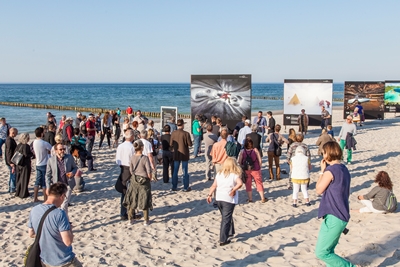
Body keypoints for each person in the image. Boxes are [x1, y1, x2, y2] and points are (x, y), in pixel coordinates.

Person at [315, 141, 356, 266]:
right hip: (340, 213)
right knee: (328, 250)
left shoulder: (330, 171)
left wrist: (322, 171)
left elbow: (318, 190)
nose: (322, 155)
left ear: (328, 153)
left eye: (324, 153)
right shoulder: (344, 169)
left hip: (335, 215)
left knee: (321, 252)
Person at [28, 182, 82, 267]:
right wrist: (70, 229)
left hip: (45, 260)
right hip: (64, 260)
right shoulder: (60, 213)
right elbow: (68, 242)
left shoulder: (34, 210)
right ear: (62, 196)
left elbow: (31, 234)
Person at [206, 157, 243, 246]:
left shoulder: (219, 174)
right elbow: (240, 183)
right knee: (226, 218)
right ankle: (223, 239)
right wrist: (234, 189)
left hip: (219, 198)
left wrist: (209, 195)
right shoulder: (234, 175)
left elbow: (214, 185)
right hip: (228, 199)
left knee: (226, 215)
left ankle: (230, 232)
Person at [123, 140, 153, 226]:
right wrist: (149, 178)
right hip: (144, 180)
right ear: (142, 147)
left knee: (133, 199)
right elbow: (148, 170)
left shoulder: (132, 157)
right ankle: (146, 220)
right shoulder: (145, 158)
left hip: (134, 180)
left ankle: (130, 219)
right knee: (145, 199)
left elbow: (131, 170)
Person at [46, 143, 78, 218]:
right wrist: (48, 187)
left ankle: (65, 222)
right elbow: (47, 175)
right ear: (56, 150)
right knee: (58, 206)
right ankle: (64, 221)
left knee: (64, 205)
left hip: (68, 184)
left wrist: (72, 173)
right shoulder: (51, 160)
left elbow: (75, 168)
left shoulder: (69, 157)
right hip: (57, 186)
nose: (63, 151)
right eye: (60, 149)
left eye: (64, 149)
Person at [238, 137, 266, 203]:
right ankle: (262, 198)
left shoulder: (242, 151)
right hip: (255, 168)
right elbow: (260, 159)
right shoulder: (255, 150)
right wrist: (260, 166)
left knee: (248, 184)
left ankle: (250, 199)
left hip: (246, 169)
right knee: (259, 182)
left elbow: (239, 161)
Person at [115, 129, 135, 221]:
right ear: (131, 137)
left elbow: (117, 160)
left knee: (124, 192)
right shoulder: (132, 147)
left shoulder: (120, 146)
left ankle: (123, 213)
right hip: (129, 168)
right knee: (131, 192)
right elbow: (133, 160)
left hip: (122, 168)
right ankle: (131, 213)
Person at [170, 119, 193, 191]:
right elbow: (190, 144)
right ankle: (185, 187)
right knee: (185, 171)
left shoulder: (173, 133)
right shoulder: (186, 133)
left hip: (176, 153)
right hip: (184, 153)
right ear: (182, 125)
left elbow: (171, 144)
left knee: (175, 171)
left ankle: (174, 186)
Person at [33, 127, 53, 202]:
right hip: (44, 163)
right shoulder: (44, 143)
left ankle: (35, 197)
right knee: (45, 181)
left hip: (38, 163)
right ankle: (45, 198)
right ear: (41, 134)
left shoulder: (34, 142)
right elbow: (51, 149)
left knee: (37, 181)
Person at [14, 133, 33, 198]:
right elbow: (26, 155)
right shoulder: (26, 146)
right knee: (25, 179)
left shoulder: (19, 145)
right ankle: (23, 193)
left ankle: (18, 192)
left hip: (18, 164)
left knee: (19, 178)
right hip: (25, 164)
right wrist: (32, 154)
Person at [5, 127, 18, 195]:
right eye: (16, 133)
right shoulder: (9, 140)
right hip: (11, 161)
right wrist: (11, 162)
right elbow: (9, 152)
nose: (17, 134)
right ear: (13, 133)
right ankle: (12, 188)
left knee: (11, 174)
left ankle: (10, 187)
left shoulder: (9, 139)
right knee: (13, 174)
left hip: (10, 160)